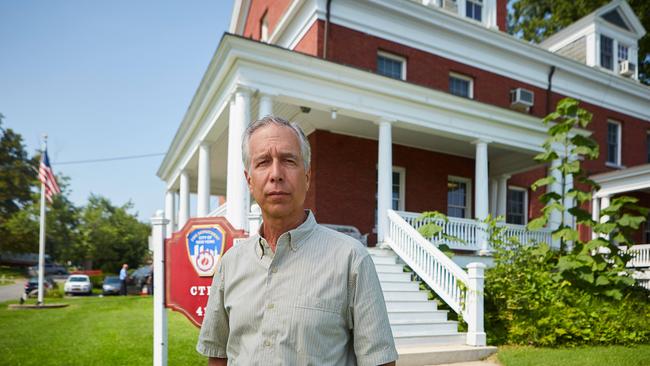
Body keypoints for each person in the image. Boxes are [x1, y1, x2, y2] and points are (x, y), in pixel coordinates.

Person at [197, 116, 398, 365]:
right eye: (263, 162)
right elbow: (218, 355)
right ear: (250, 181)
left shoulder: (351, 259)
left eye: (288, 160)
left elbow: (380, 361)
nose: (276, 174)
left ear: (306, 176)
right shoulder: (230, 264)